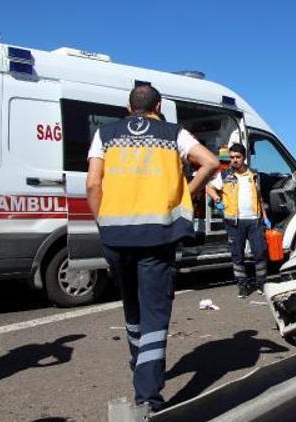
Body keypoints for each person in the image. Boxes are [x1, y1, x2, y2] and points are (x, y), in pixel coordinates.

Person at [86, 85, 219, 411]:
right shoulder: (173, 133)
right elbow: (211, 163)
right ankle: (148, 398)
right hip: (156, 236)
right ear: (159, 106)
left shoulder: (105, 133)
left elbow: (92, 183)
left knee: (132, 308)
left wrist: (103, 224)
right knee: (155, 315)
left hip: (115, 236)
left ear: (128, 107)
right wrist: (183, 195)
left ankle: (139, 361)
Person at [207, 143, 270, 299]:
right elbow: (208, 187)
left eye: (237, 157)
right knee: (237, 255)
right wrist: (216, 199)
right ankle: (242, 286)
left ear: (244, 157)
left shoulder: (254, 174)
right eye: (232, 157)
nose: (234, 160)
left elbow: (260, 196)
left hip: (255, 220)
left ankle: (261, 283)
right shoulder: (225, 175)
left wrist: (265, 217)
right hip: (234, 222)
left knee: (260, 252)